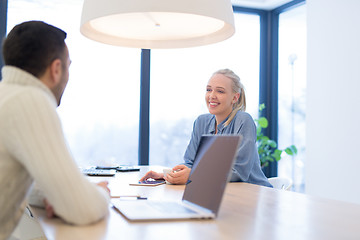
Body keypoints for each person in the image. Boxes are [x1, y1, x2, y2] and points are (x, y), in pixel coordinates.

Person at [0, 21, 110, 240]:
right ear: (56, 69)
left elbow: (25, 178)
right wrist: (101, 193)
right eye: (68, 66)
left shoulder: (8, 95)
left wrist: (55, 196)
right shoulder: (29, 100)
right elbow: (82, 208)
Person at [140, 69, 272, 187]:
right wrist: (169, 174)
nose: (212, 96)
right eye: (209, 89)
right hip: (220, 193)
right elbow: (190, 163)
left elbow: (238, 172)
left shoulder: (243, 121)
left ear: (235, 97)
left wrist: (194, 175)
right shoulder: (201, 122)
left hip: (254, 193)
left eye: (220, 91)